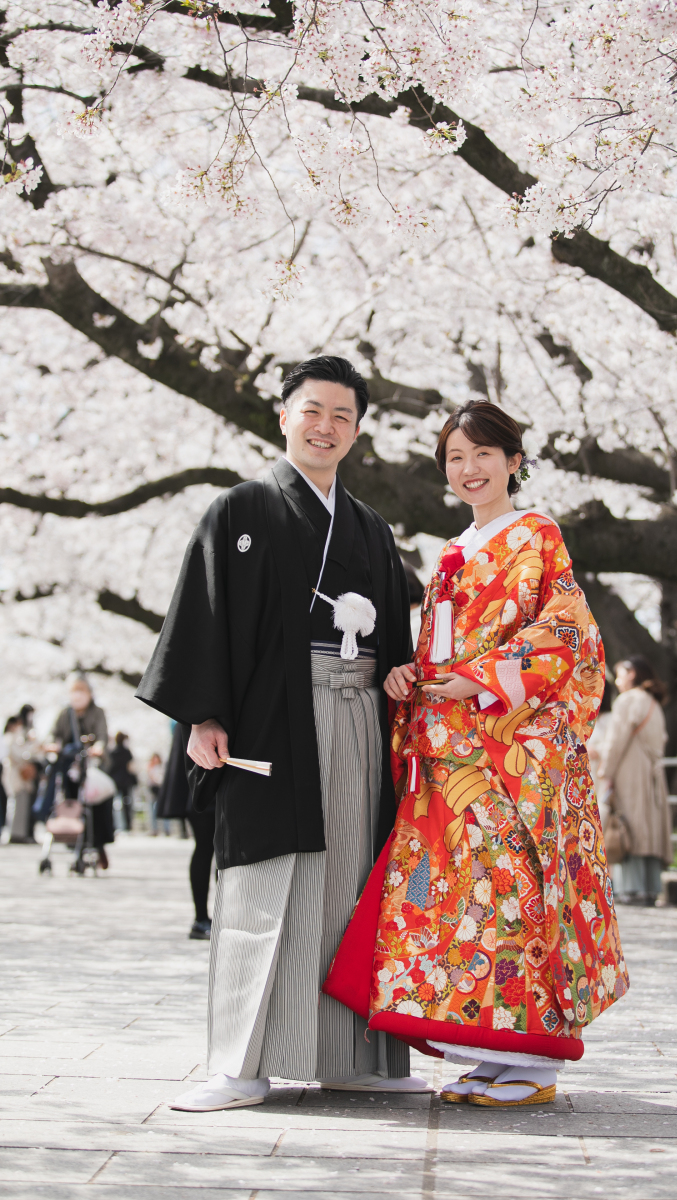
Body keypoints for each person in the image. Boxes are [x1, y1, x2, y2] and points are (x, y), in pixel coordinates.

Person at [136, 354, 427, 1112]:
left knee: (350, 882)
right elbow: (204, 616)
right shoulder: (240, 510)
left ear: (358, 431)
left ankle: (349, 1058)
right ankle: (240, 1064)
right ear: (284, 415)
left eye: (342, 415)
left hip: (357, 719)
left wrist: (399, 682)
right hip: (274, 720)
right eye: (313, 410)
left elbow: (396, 632)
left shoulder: (370, 527)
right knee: (263, 887)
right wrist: (203, 714)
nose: (325, 426)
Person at [326, 400, 628, 1108]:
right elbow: (440, 651)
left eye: (483, 455)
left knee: (515, 893)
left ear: (514, 461)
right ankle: (494, 1053)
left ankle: (537, 1063)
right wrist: (410, 676)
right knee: (468, 904)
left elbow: (568, 634)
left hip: (509, 751)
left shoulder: (537, 536)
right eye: (455, 459)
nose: (469, 470)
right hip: (452, 745)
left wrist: (480, 678)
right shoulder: (457, 548)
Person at [599, 656, 670, 906]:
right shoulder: (652, 701)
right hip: (650, 769)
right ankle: (651, 886)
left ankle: (631, 887)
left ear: (631, 674)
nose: (617, 681)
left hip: (630, 769)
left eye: (619, 674)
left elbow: (615, 741)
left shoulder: (628, 700)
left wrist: (606, 773)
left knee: (629, 824)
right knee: (648, 826)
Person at [48, 676, 114, 869]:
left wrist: (99, 748)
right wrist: (52, 745)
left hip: (92, 765)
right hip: (69, 766)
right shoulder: (64, 713)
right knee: (70, 803)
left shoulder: (97, 712)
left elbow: (102, 736)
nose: (77, 695)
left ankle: (98, 844)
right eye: (74, 690)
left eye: (81, 690)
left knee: (97, 806)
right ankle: (73, 843)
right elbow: (53, 734)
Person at [158, 724, 216, 939]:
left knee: (212, 849)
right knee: (207, 847)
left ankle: (209, 918)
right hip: (199, 769)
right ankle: (202, 918)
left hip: (205, 768)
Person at [6, 709, 40, 844]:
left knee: (22, 805)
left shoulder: (19, 736)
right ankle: (16, 834)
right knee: (18, 804)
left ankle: (21, 833)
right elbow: (18, 754)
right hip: (16, 774)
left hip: (22, 775)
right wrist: (33, 748)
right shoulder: (11, 738)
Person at [108, 733, 137, 831]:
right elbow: (130, 767)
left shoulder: (112, 752)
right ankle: (128, 825)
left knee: (115, 804)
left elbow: (110, 767)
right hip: (125, 780)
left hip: (115, 781)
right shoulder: (126, 752)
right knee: (127, 803)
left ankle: (115, 825)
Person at [147, 753, 165, 834]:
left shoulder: (162, 768)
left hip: (160, 789)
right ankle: (154, 829)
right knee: (153, 810)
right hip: (153, 790)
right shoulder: (150, 768)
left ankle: (165, 829)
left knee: (162, 808)